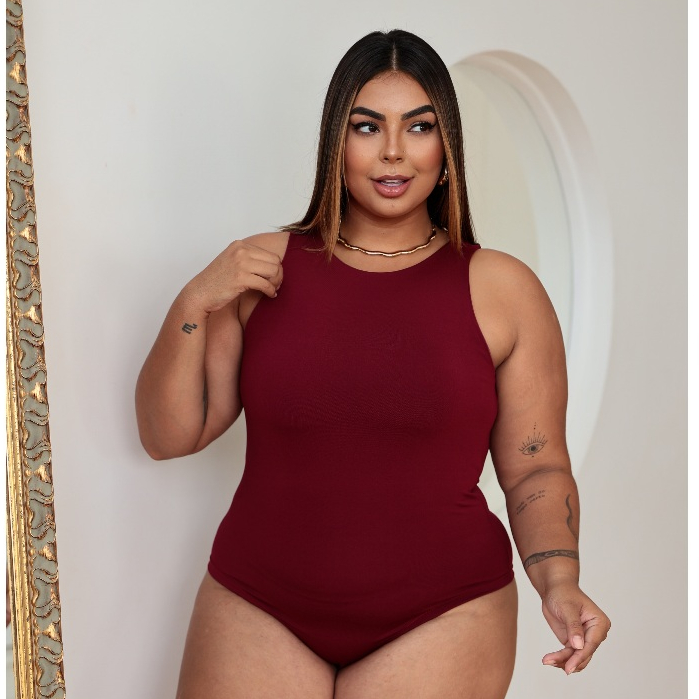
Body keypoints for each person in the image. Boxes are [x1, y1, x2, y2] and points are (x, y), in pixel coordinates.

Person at [135, 29, 610, 699]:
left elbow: (535, 465)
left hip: (445, 611)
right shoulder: (260, 268)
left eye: (418, 126)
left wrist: (558, 581)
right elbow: (168, 435)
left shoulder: (503, 289)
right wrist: (194, 300)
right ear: (337, 142)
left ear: (446, 146)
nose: (393, 151)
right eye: (367, 126)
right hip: (257, 601)